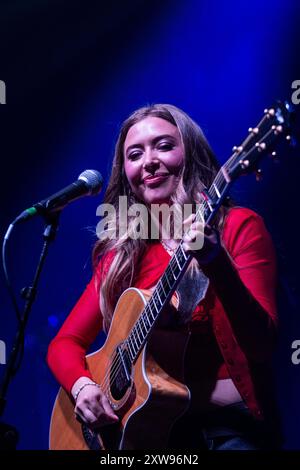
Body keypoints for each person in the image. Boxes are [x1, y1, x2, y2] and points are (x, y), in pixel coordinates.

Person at [47, 103, 282, 450]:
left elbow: (262, 343)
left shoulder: (237, 227)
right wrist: (82, 385)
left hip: (229, 431)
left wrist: (215, 261)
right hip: (151, 437)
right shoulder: (121, 258)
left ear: (191, 153)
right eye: (135, 154)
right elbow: (63, 344)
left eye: (164, 146)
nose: (149, 161)